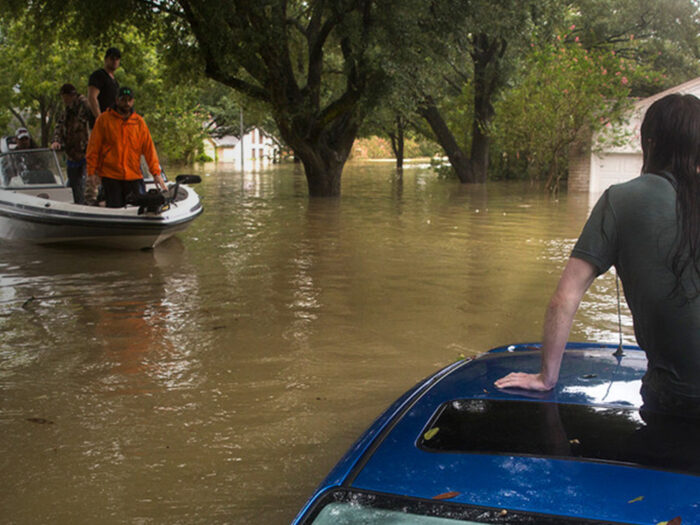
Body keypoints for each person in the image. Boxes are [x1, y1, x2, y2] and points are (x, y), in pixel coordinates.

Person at [495, 93, 700, 418]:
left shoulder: (623, 199)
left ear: (650, 143)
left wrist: (546, 378)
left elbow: (565, 298)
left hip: (677, 399)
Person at [86, 86, 167, 208]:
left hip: (134, 175)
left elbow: (149, 149)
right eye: (123, 100)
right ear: (117, 100)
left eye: (129, 100)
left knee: (140, 207)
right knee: (115, 209)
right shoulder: (103, 120)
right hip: (111, 176)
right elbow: (93, 148)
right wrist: (91, 172)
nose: (126, 103)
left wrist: (156, 173)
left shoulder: (139, 122)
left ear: (133, 101)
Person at [51, 83, 92, 204]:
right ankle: (78, 205)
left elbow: (95, 122)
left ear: (70, 95)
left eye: (64, 97)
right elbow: (59, 126)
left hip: (87, 153)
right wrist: (56, 141)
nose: (63, 100)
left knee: (86, 184)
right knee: (74, 185)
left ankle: (88, 207)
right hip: (72, 155)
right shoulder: (66, 111)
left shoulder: (85, 105)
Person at [87, 47, 121, 124]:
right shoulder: (99, 75)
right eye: (112, 58)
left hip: (111, 123)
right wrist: (100, 119)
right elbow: (92, 97)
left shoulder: (115, 82)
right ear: (106, 59)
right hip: (98, 124)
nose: (115, 61)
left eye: (117, 59)